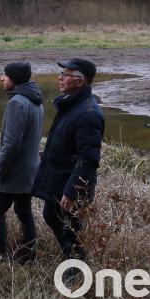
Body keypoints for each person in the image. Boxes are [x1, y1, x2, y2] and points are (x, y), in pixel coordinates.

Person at [31, 58, 104, 267]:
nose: (60, 78)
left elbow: (89, 159)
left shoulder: (88, 114)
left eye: (65, 75)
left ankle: (77, 272)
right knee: (53, 216)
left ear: (80, 81)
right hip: (60, 177)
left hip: (70, 183)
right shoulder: (71, 105)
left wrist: (72, 191)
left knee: (69, 226)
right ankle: (75, 264)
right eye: (61, 74)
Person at [0, 62, 44, 263]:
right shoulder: (36, 101)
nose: (1, 79)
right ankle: (29, 254)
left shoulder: (17, 103)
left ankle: (0, 255)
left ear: (14, 79)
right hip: (31, 170)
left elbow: (11, 144)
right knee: (23, 210)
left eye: (5, 75)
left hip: (15, 172)